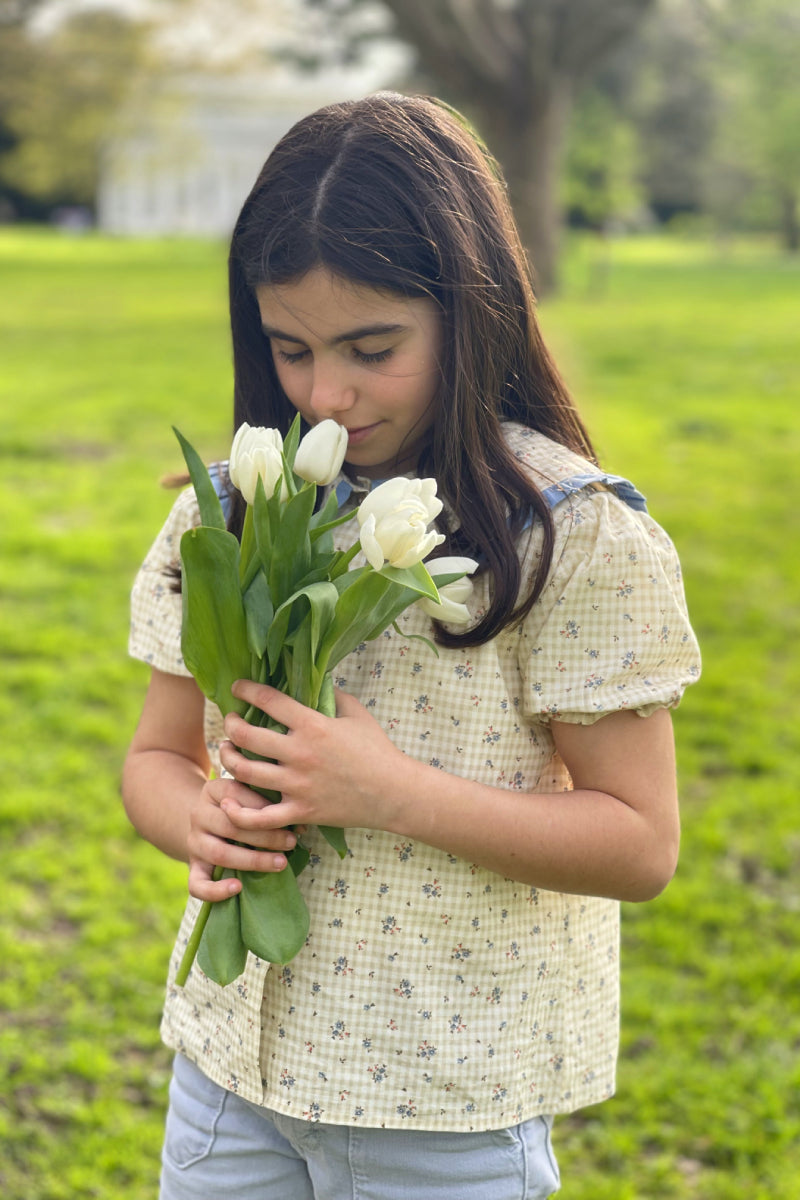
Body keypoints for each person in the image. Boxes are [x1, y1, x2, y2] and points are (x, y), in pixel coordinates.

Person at [123, 92, 701, 1200]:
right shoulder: (233, 509)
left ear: (471, 313)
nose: (325, 393)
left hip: (443, 1101)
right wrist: (194, 818)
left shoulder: (569, 535)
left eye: (371, 347)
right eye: (289, 348)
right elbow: (156, 758)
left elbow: (639, 844)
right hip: (230, 1077)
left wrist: (388, 792)